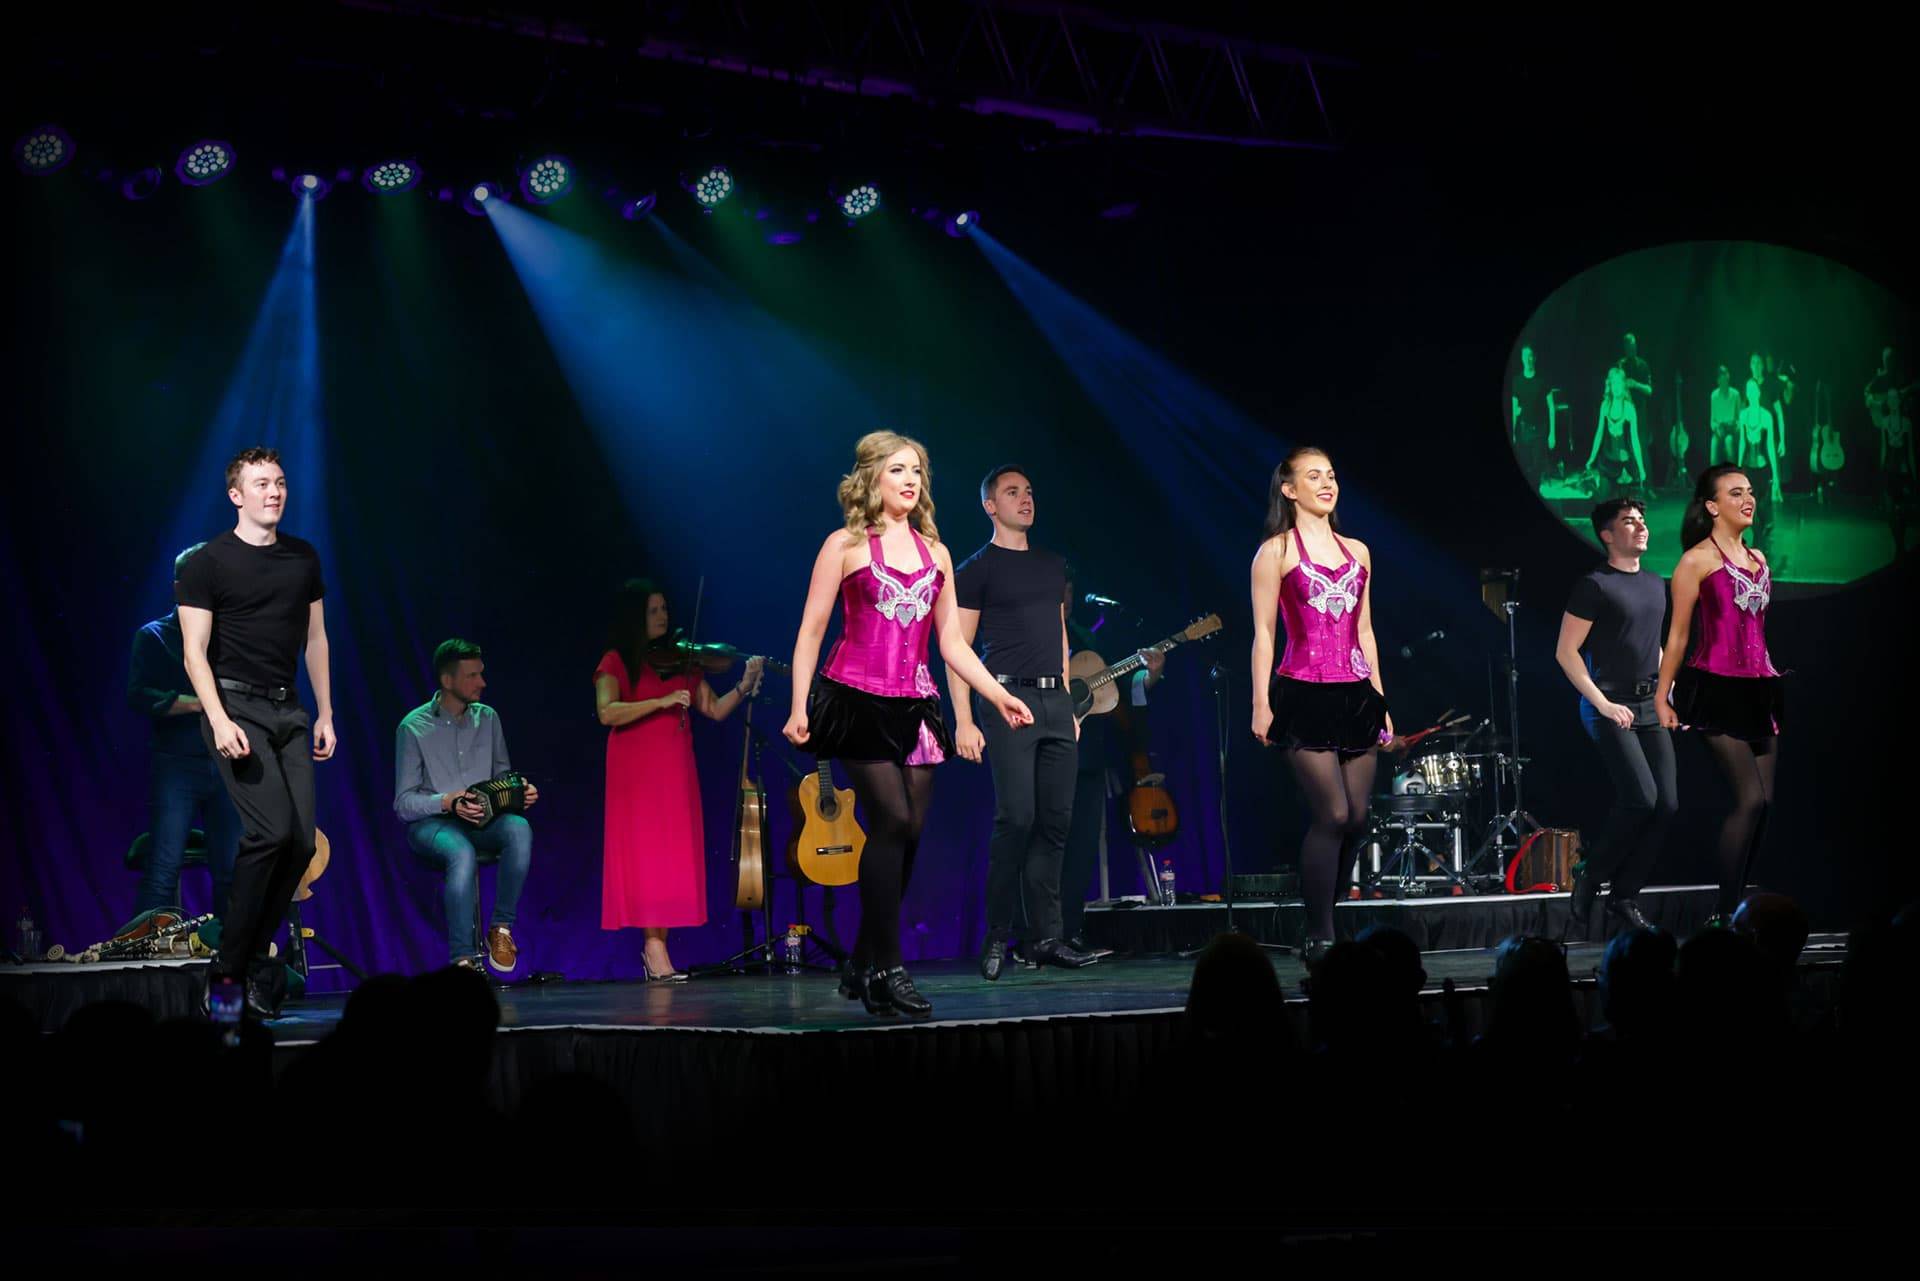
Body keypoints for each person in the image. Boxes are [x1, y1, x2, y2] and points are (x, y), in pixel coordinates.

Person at [784, 432, 1032, 1018]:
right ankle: (891, 968)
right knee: (890, 818)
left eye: (917, 469)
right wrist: (799, 706)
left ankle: (862, 959)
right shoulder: (844, 545)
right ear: (872, 477)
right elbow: (811, 633)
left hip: (916, 705)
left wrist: (997, 694)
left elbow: (951, 642)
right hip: (855, 698)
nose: (911, 479)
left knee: (911, 834)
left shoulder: (936, 553)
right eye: (898, 469)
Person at [175, 446, 334, 1019]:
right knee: (268, 835)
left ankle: (251, 967)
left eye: (281, 482)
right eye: (261, 483)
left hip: (290, 712)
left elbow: (316, 639)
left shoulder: (301, 558)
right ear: (236, 495)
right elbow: (194, 652)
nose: (274, 491)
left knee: (299, 843)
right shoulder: (207, 563)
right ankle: (227, 978)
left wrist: (326, 713)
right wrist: (217, 719)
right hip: (236, 708)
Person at [952, 466, 1099, 980]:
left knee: (1055, 824)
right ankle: (998, 935)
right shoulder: (977, 568)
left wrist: (1067, 704)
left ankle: (1048, 939)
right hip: (1006, 698)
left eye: (1029, 491)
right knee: (1016, 818)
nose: (1025, 499)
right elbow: (958, 650)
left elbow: (1059, 634)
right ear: (990, 506)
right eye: (1012, 493)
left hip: (1055, 704)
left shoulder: (1052, 564)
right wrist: (964, 719)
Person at [1250, 447, 1392, 972]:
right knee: (1331, 814)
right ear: (1289, 489)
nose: (1327, 483)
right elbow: (1264, 634)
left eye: (1331, 474)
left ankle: (1326, 915)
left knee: (1357, 819)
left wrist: (1380, 699)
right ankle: (1320, 934)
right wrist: (1260, 701)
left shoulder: (1358, 550)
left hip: (1356, 693)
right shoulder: (1276, 551)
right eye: (1314, 476)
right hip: (1303, 691)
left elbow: (1365, 631)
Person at [595, 579, 764, 980]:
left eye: (665, 610)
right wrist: (660, 702)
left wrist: (743, 684)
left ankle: (658, 948)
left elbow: (716, 709)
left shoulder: (682, 663)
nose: (663, 616)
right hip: (635, 771)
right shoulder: (616, 661)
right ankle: (654, 949)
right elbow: (607, 712)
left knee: (669, 855)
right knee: (644, 854)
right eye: (654, 611)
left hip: (674, 769)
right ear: (636, 616)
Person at [1658, 466, 1786, 925]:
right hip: (1713, 688)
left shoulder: (1759, 557)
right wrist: (1661, 697)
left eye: (1750, 492)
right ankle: (1724, 912)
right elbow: (1677, 637)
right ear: (1712, 506)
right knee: (1748, 800)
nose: (1748, 499)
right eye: (1736, 493)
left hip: (1759, 687)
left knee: (1766, 806)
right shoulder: (1695, 561)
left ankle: (1739, 908)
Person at [1554, 499, 1675, 937]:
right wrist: (1603, 704)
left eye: (1643, 520)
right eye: (1629, 521)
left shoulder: (1655, 583)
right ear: (1607, 535)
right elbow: (1565, 653)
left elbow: (1652, 645)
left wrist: (1666, 690)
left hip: (1648, 705)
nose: (1640, 527)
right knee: (1641, 798)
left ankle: (1624, 895)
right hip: (1607, 705)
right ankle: (1589, 874)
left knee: (1667, 805)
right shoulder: (1594, 585)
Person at [394, 638, 541, 973]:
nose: (482, 683)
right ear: (448, 681)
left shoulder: (488, 719)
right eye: (473, 675)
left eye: (481, 673)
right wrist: (447, 801)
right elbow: (403, 804)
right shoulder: (413, 727)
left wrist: (519, 792)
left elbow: (502, 777)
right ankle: (462, 959)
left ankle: (501, 929)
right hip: (433, 824)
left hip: (482, 821)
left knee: (519, 828)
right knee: (461, 852)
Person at [127, 542, 242, 927]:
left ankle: (234, 968)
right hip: (176, 765)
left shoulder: (231, 638)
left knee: (231, 870)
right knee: (163, 867)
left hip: (226, 765)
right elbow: (139, 696)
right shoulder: (155, 636)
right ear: (179, 587)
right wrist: (199, 704)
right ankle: (149, 969)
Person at [1586, 366, 1646, 493]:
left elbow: (1635, 440)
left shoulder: (1629, 408)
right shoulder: (1605, 406)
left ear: (1624, 385)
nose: (1616, 387)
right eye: (1614, 383)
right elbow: (1599, 434)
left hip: (1625, 464)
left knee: (1623, 505)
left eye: (1619, 382)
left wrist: (1641, 468)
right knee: (1604, 499)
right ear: (1610, 385)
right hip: (1607, 462)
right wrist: (1591, 458)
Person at [1708, 365, 1742, 468]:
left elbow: (1740, 417)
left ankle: (1732, 474)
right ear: (1718, 381)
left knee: (1729, 442)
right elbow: (1712, 420)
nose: (1724, 383)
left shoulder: (1735, 394)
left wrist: (1736, 426)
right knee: (1713, 444)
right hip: (1719, 429)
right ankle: (1713, 478)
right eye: (1721, 380)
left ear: (1728, 378)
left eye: (1725, 379)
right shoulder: (1714, 396)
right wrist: (1716, 428)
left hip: (1731, 430)